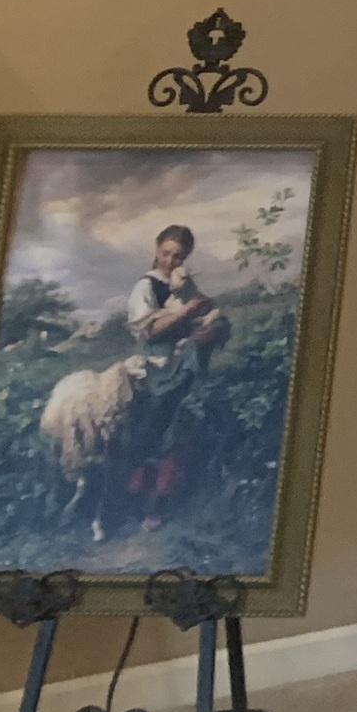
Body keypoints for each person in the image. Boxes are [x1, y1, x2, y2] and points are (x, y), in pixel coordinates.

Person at [118, 225, 226, 531]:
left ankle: (162, 503)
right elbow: (150, 331)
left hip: (183, 369)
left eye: (178, 256)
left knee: (178, 437)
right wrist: (184, 313)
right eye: (166, 253)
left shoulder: (185, 284)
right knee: (149, 436)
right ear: (157, 250)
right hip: (153, 372)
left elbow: (208, 311)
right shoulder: (146, 287)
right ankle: (136, 506)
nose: (170, 261)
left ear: (186, 257)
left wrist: (208, 329)